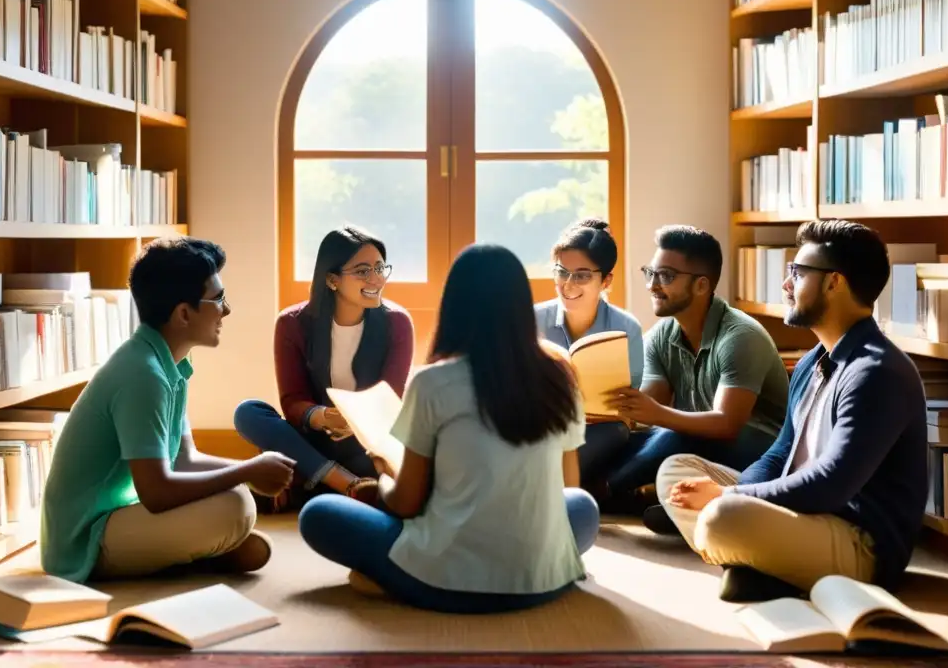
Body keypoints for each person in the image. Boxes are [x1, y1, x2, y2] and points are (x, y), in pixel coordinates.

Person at [298, 243, 601, 614]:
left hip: (446, 582)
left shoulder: (433, 382)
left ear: (453, 307)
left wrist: (384, 475)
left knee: (319, 513)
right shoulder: (559, 377)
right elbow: (568, 489)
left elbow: (407, 503)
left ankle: (394, 579)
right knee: (582, 506)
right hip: (544, 579)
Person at [654, 220, 928, 603]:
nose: (786, 285)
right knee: (676, 469)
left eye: (797, 273)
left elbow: (832, 483)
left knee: (720, 517)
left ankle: (752, 561)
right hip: (800, 512)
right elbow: (781, 452)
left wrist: (731, 495)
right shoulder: (811, 362)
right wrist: (736, 493)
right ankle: (757, 565)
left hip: (857, 540)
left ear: (834, 283)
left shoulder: (877, 372)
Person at [40, 238, 296, 584]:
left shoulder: (166, 362)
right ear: (184, 314)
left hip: (116, 516)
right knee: (234, 507)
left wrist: (250, 471)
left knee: (243, 519)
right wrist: (246, 472)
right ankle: (187, 555)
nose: (227, 310)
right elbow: (157, 492)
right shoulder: (143, 374)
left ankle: (191, 552)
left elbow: (183, 458)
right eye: (218, 299)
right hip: (85, 541)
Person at [599, 225, 789, 531]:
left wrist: (656, 413)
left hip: (762, 456)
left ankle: (601, 492)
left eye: (666, 276)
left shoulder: (740, 337)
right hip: (697, 444)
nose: (652, 285)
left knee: (678, 434)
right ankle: (656, 501)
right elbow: (652, 405)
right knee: (629, 436)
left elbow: (726, 425)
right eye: (651, 273)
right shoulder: (663, 334)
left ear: (701, 286)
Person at [234, 225, 415, 509]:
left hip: (366, 444)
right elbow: (292, 401)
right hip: (315, 440)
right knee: (248, 413)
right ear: (332, 279)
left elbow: (390, 398)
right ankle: (347, 484)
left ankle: (305, 485)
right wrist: (323, 418)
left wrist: (356, 424)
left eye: (380, 268)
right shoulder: (292, 323)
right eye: (363, 271)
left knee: (408, 458)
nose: (376, 279)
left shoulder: (397, 323)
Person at [534, 218, 644, 491]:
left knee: (617, 433)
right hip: (539, 425)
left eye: (582, 275)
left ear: (606, 280)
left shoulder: (626, 328)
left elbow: (627, 403)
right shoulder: (532, 319)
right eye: (562, 272)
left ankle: (545, 485)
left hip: (595, 430)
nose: (568, 284)